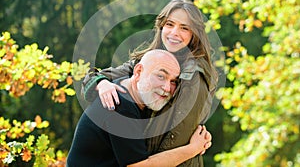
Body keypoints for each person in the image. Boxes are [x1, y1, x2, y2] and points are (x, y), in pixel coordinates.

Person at [82, 0, 218, 166]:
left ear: (194, 35)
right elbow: (94, 77)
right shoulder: (148, 59)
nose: (174, 32)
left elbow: (176, 138)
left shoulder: (194, 77)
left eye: (184, 28)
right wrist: (102, 83)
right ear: (161, 26)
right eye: (170, 24)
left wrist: (140, 160)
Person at [67, 50, 211, 167]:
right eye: (161, 76)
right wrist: (193, 149)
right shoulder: (120, 106)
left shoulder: (131, 92)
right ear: (138, 72)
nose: (167, 88)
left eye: (173, 81)